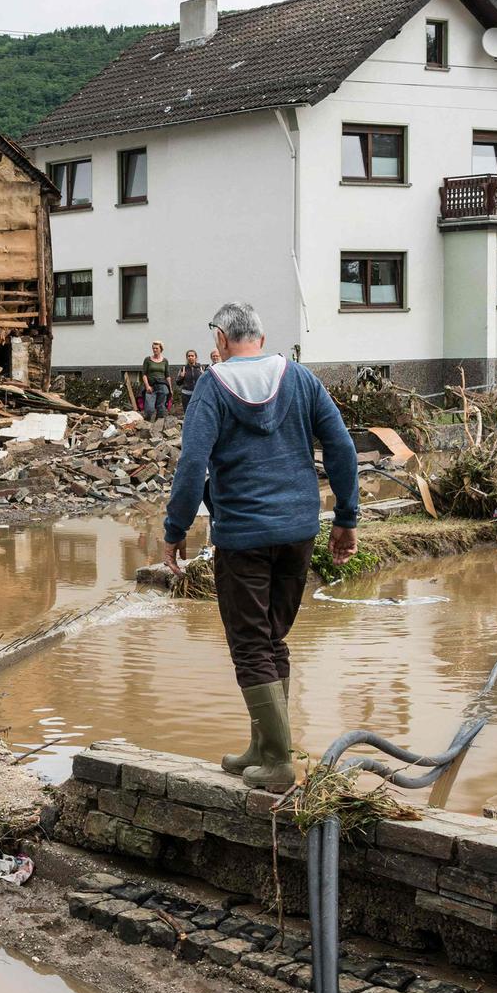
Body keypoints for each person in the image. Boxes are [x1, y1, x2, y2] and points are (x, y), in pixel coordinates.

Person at [160, 302, 360, 791]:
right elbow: (341, 448)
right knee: (272, 639)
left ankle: (277, 763)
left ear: (222, 340)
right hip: (297, 530)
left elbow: (192, 466)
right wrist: (347, 518)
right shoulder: (301, 379)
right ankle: (264, 747)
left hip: (243, 536)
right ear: (262, 339)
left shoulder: (212, 385)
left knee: (251, 645)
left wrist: (174, 529)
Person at [139, 341, 172, 421]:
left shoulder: (165, 361)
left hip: (162, 386)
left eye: (156, 348)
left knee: (161, 408)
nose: (154, 350)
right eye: (153, 348)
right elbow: (144, 374)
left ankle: (158, 426)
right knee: (149, 409)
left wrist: (170, 389)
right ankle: (146, 424)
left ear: (161, 349)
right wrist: (147, 386)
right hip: (151, 386)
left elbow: (167, 376)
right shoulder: (148, 360)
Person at [175, 349, 204, 413]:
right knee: (187, 412)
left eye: (192, 356)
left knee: (198, 412)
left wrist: (203, 375)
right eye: (189, 356)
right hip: (186, 395)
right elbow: (178, 383)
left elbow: (205, 382)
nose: (190, 357)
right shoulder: (183, 368)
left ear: (195, 357)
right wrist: (181, 377)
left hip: (198, 394)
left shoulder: (201, 368)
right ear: (187, 358)